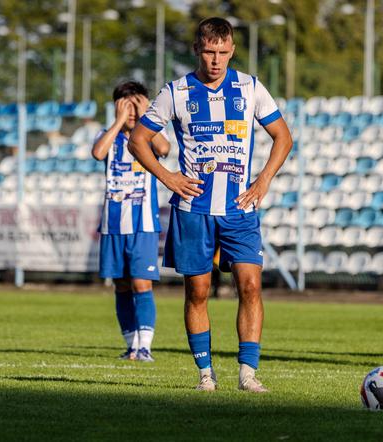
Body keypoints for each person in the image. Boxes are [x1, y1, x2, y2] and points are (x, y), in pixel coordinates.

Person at [128, 17, 293, 392]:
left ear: (232, 50)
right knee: (197, 291)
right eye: (209, 51)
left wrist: (264, 179)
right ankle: (206, 375)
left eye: (222, 52)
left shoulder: (250, 88)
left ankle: (248, 373)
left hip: (240, 208)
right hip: (193, 210)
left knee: (250, 286)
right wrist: (168, 177)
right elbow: (139, 140)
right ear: (196, 50)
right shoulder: (176, 92)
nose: (216, 60)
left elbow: (283, 136)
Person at [91, 81, 170, 362]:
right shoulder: (108, 136)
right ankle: (131, 345)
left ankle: (144, 346)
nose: (132, 112)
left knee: (141, 283)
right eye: (126, 105)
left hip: (142, 224)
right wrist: (119, 121)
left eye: (136, 105)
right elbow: (98, 152)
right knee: (121, 286)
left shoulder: (146, 139)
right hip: (113, 224)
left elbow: (165, 147)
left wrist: (144, 114)